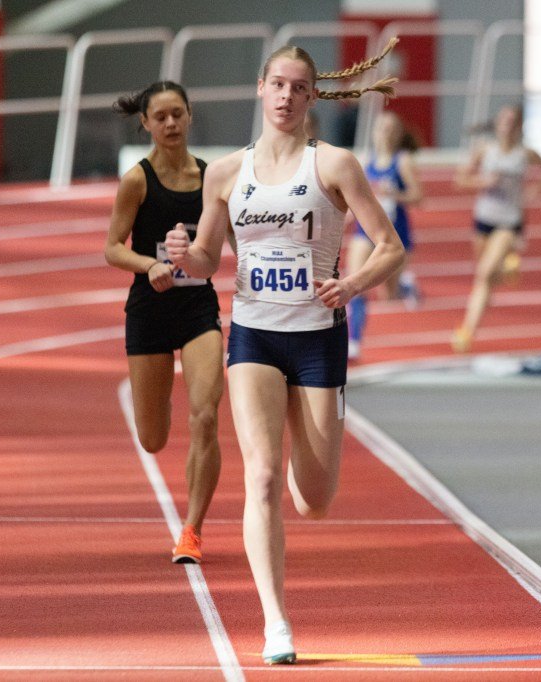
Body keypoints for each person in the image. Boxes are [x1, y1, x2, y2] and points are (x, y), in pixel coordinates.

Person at [164, 42, 405, 664]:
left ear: (313, 97)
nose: (287, 97)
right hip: (253, 335)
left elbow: (391, 247)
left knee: (315, 500)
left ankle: (309, 479)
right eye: (278, 84)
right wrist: (181, 252)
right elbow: (209, 259)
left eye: (300, 88)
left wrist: (350, 285)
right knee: (263, 476)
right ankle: (277, 624)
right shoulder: (225, 174)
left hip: (319, 337)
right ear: (260, 86)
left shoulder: (336, 166)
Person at [103, 81, 223, 564]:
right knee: (153, 439)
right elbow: (112, 246)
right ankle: (163, 406)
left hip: (198, 310)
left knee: (208, 415)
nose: (171, 124)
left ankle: (192, 529)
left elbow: (229, 242)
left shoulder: (214, 179)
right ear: (146, 124)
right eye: (161, 117)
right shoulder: (137, 180)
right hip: (149, 312)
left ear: (190, 116)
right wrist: (148, 265)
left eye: (178, 114)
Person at [450, 104, 541, 353]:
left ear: (518, 126)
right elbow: (459, 181)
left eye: (512, 121)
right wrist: (482, 181)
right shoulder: (484, 150)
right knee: (487, 278)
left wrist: (535, 190)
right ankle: (509, 260)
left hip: (510, 222)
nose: (507, 125)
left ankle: (467, 331)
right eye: (503, 120)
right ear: (497, 125)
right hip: (483, 219)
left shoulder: (525, 154)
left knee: (484, 274)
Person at [346, 110, 423, 360]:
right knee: (355, 283)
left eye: (390, 129)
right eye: (381, 128)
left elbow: (419, 197)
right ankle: (353, 340)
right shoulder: (364, 160)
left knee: (388, 295)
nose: (385, 134)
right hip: (365, 229)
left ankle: (404, 286)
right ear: (374, 132)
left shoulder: (403, 161)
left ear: (398, 134)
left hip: (394, 233)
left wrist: (393, 194)